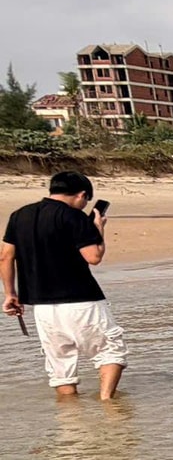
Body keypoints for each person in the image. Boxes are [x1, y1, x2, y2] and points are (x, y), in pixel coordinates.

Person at [2, 170, 126, 401]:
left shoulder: (19, 216)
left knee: (60, 366)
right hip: (82, 299)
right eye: (85, 199)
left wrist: (10, 294)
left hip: (43, 306)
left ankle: (71, 417)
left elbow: (6, 256)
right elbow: (94, 256)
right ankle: (108, 402)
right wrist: (98, 227)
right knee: (110, 350)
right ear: (81, 195)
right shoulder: (74, 217)